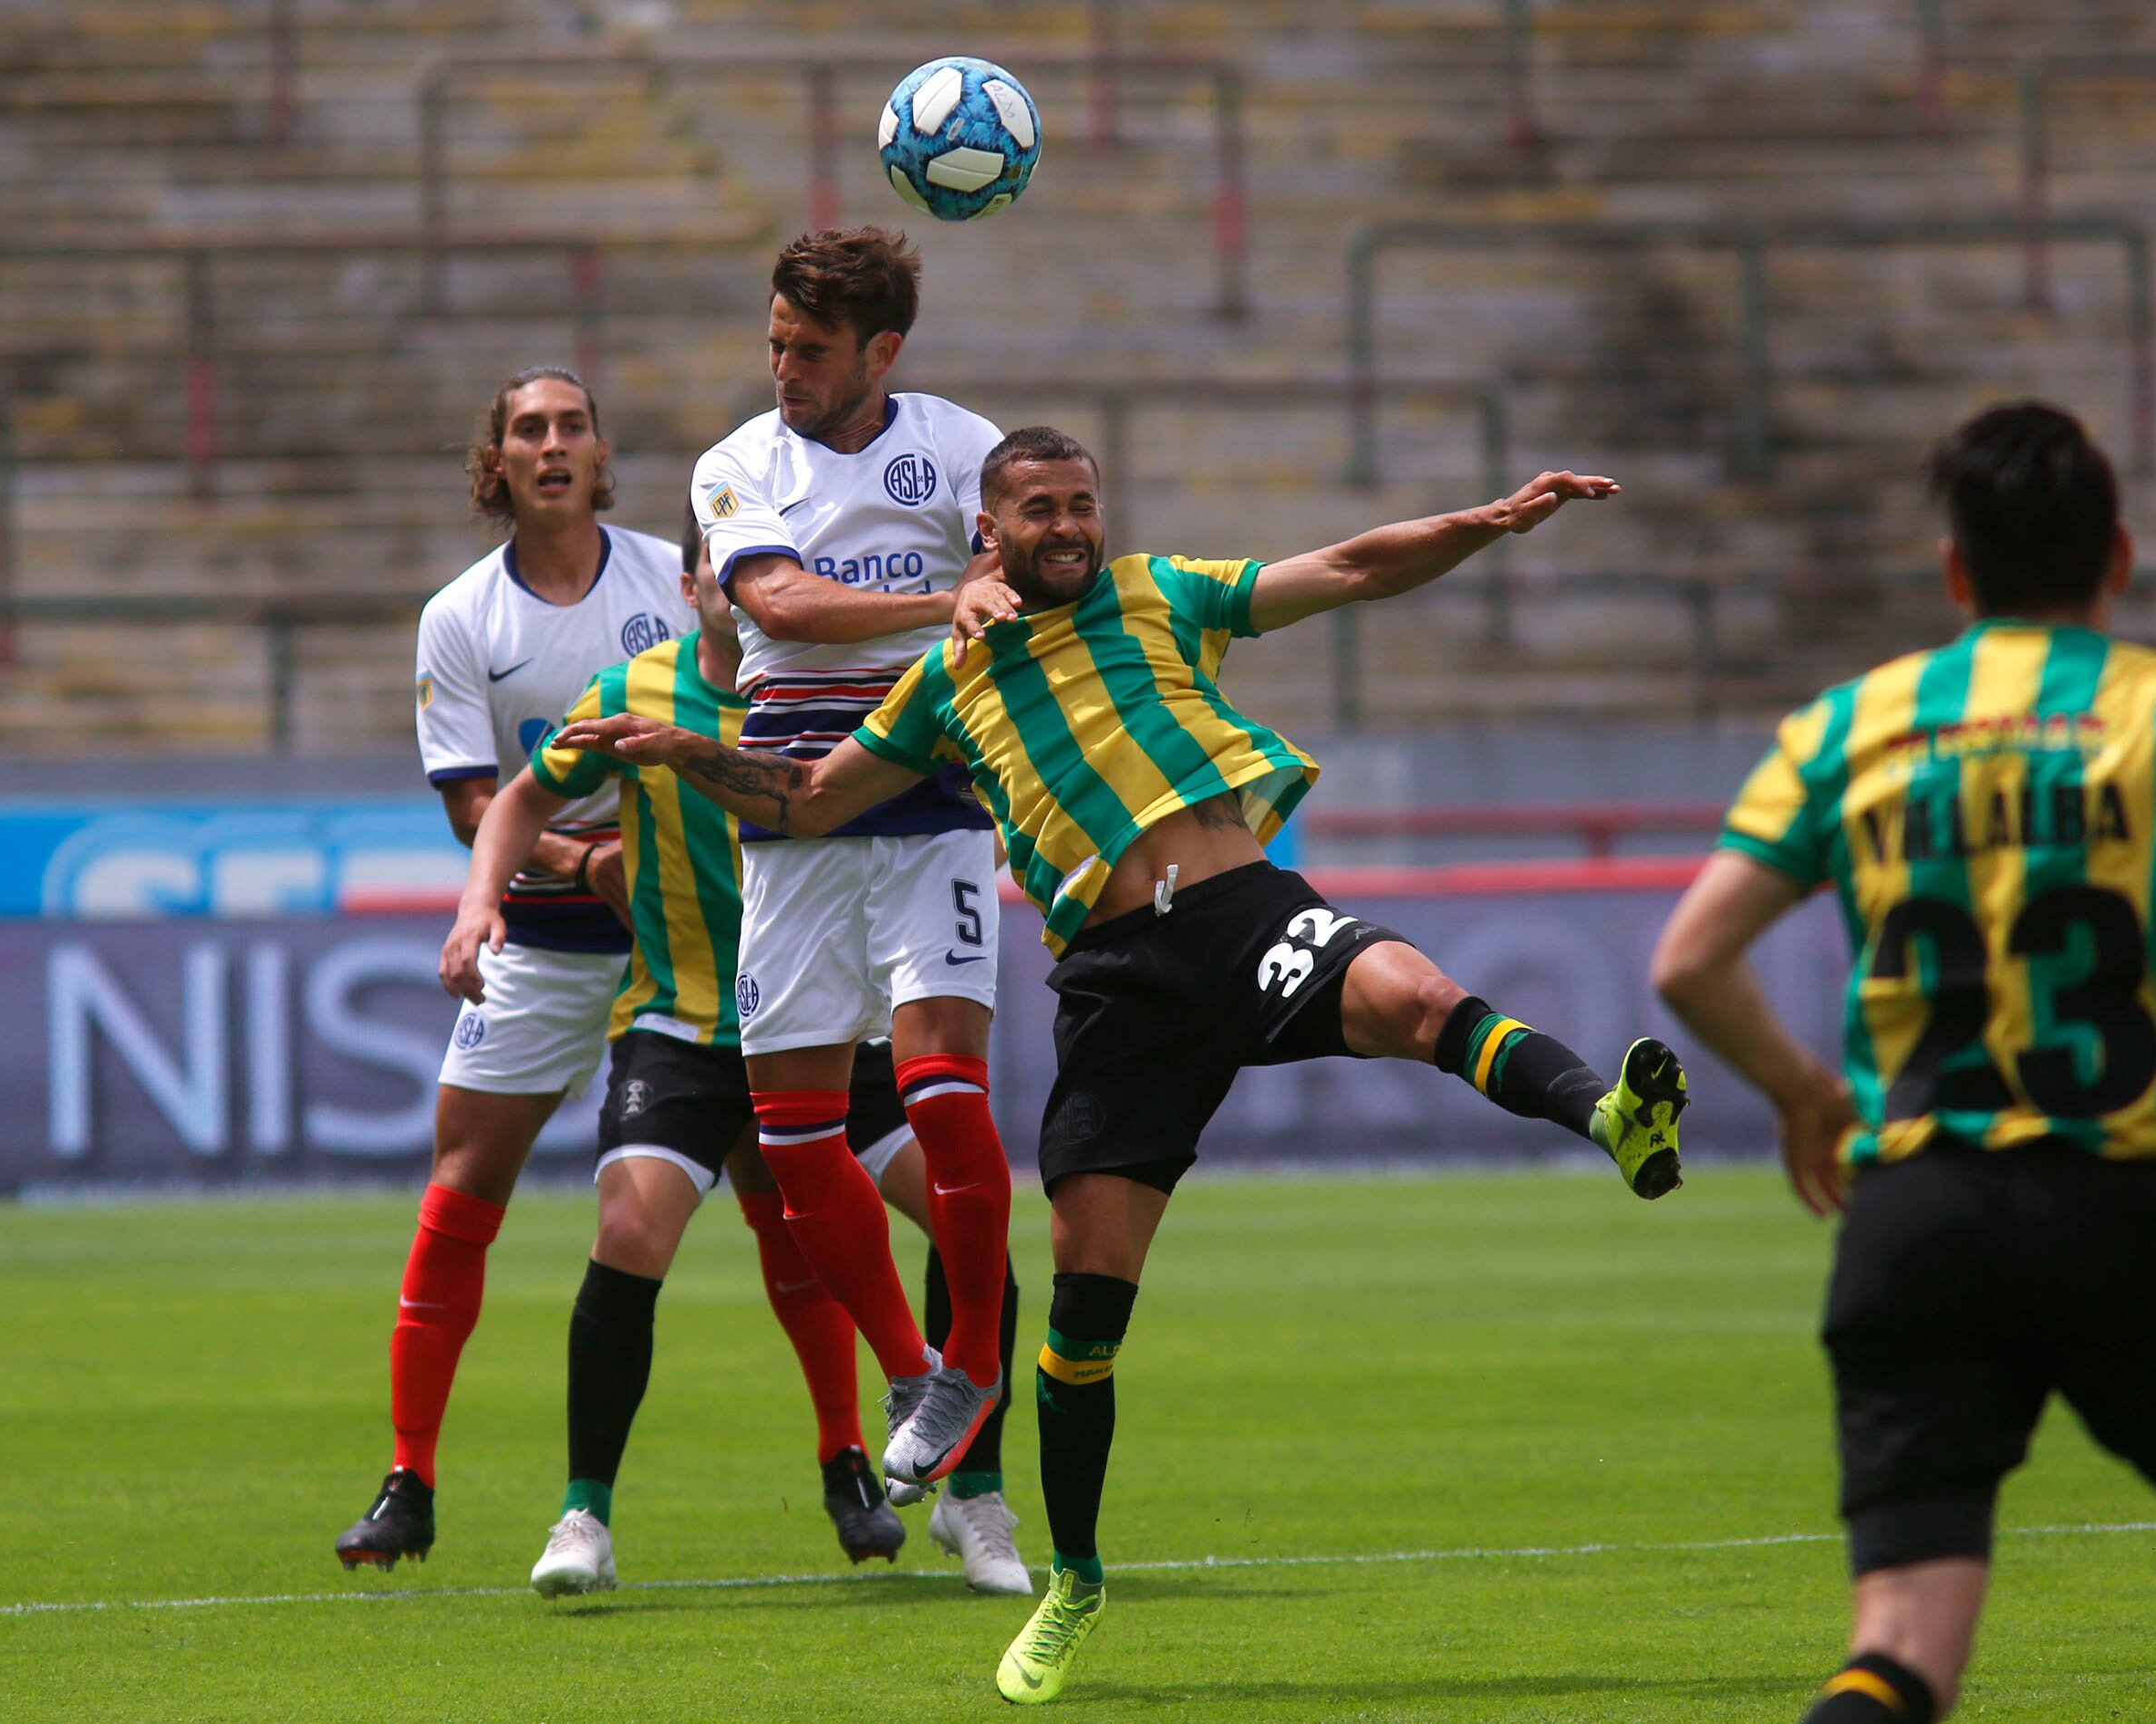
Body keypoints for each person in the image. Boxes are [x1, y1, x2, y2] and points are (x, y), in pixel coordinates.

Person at [553, 426, 1694, 1704]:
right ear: (988, 534)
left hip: (1242, 912)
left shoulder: (1162, 592)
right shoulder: (946, 679)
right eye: (1040, 508)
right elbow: (810, 798)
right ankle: (1075, 1582)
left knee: (1417, 998)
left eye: (1082, 503)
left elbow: (1350, 567)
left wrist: (1486, 520)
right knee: (1087, 1309)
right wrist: (686, 754)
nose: (1068, 526)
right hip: (1114, 982)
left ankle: (1608, 1115)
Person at [1649, 401, 2156, 1724]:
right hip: (2127, 1200)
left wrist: (1804, 1091)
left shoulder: (1847, 725)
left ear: (1954, 571)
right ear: (2118, 556)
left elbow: (1689, 958)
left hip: (1916, 1214)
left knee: (1901, 1647)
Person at [439, 514, 1030, 1596]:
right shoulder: (634, 691)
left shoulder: (841, 692)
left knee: (965, 1222)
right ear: (692, 583)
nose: (739, 581)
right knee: (629, 1234)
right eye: (722, 562)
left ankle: (973, 1495)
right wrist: (483, 902)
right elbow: (519, 797)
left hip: (833, 1028)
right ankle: (584, 1516)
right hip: (685, 1030)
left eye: (765, 564)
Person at [337, 366, 694, 1571]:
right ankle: (409, 1480)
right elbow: (471, 805)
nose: (552, 444)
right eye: (529, 429)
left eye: (572, 426)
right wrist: (583, 859)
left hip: (679, 939)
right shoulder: (460, 617)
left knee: (775, 1186)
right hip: (539, 940)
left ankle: (844, 1458)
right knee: (459, 1191)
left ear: (600, 454)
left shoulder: (673, 582)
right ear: (496, 462)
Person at [689, 226, 1021, 1502]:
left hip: (931, 798)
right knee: (793, 1141)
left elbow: (1010, 577)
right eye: (776, 343)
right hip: (794, 818)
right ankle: (911, 1366)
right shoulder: (736, 464)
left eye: (811, 350)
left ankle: (973, 1358)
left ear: (881, 352)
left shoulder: (962, 445)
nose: (784, 368)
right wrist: (942, 601)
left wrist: (978, 588)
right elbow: (776, 605)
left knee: (943, 1098)